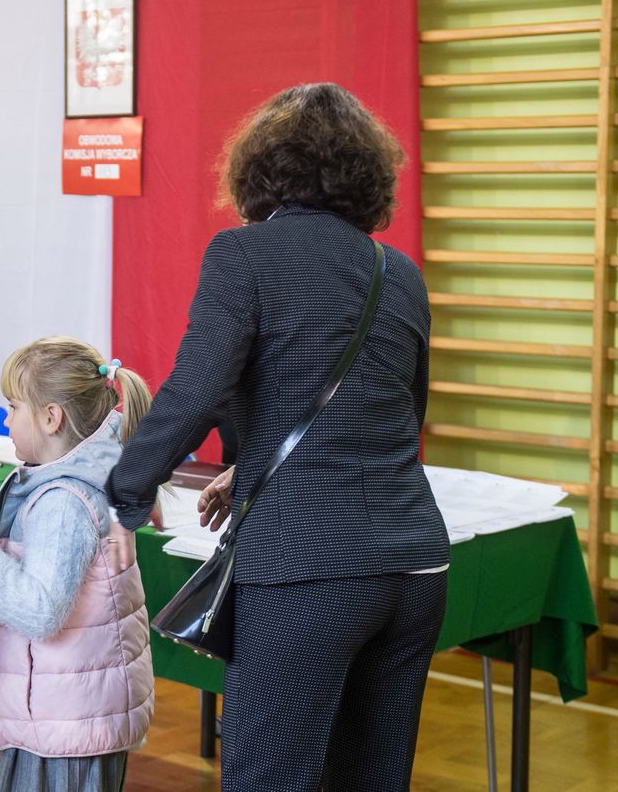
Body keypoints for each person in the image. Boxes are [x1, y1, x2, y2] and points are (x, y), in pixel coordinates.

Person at [104, 83, 450, 791]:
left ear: (259, 169)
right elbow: (399, 416)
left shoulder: (243, 256)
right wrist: (254, 467)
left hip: (307, 566)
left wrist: (117, 495)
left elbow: (193, 393)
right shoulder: (401, 273)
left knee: (269, 779)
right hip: (414, 568)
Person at [0, 337, 154, 792]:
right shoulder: (89, 478)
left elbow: (40, 609)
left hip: (63, 730)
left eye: (14, 407)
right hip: (65, 717)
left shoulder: (63, 501)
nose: (8, 419)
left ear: (51, 417)